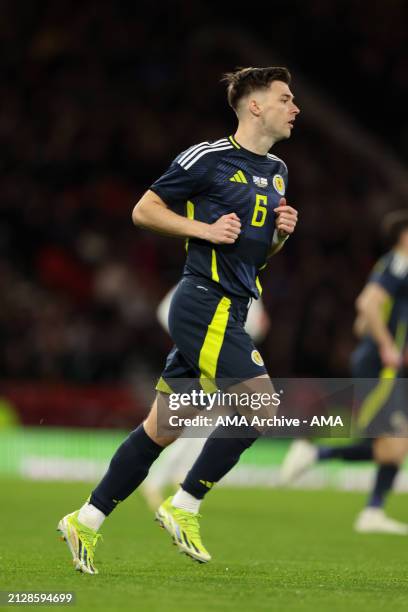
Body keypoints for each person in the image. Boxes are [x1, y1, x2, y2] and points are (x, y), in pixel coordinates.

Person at [58, 66, 299, 573]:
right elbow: (144, 210)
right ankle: (184, 504)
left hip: (233, 304)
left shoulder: (277, 169)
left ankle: (86, 519)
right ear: (254, 105)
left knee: (162, 428)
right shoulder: (206, 158)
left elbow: (256, 255)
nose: (294, 107)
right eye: (285, 98)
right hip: (202, 302)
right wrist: (203, 229)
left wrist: (279, 236)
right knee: (260, 407)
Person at [280, 210, 408, 534]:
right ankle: (316, 453)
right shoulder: (398, 263)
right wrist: (386, 346)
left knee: (394, 444)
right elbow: (366, 305)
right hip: (383, 366)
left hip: (386, 365)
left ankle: (372, 510)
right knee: (392, 443)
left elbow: (362, 318)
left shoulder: (396, 267)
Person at [140, 288, 271, 510]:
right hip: (203, 360)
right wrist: (189, 337)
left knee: (204, 424)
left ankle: (177, 475)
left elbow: (251, 326)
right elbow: (165, 311)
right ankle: (156, 480)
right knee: (184, 424)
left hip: (225, 361)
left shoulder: (244, 286)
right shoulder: (201, 282)